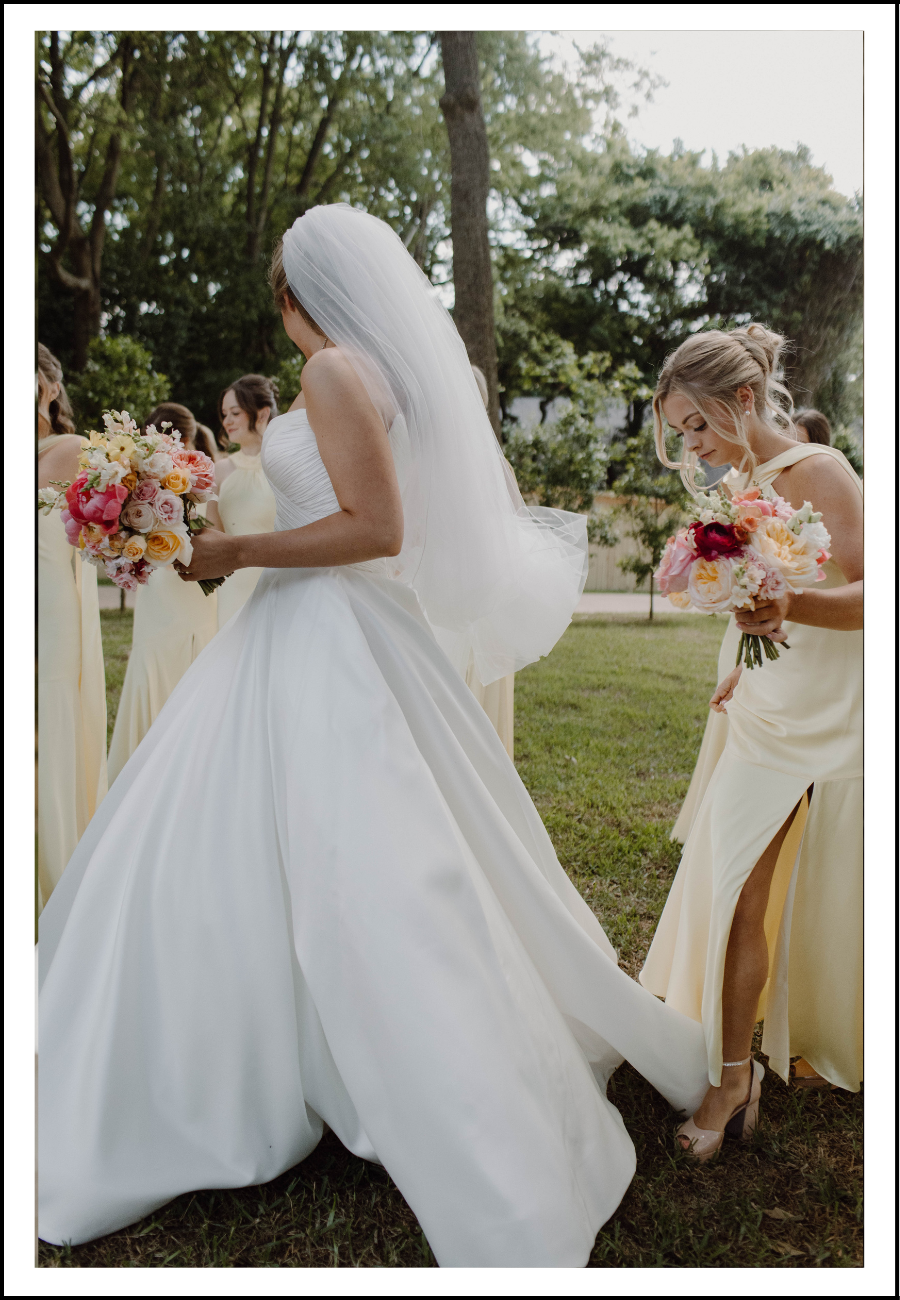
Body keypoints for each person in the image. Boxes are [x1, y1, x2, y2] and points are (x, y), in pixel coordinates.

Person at [37, 205, 711, 1266]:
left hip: (328, 634)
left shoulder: (334, 374)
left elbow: (375, 528)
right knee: (310, 849)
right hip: (318, 630)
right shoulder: (374, 372)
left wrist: (234, 550)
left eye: (281, 292)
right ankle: (301, 1050)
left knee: (364, 868)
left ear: (298, 292)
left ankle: (349, 1073)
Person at [640, 323, 863, 1159]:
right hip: (765, 704)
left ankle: (734, 1082)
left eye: (696, 425)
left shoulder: (819, 472)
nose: (691, 447)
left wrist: (787, 610)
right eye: (680, 432)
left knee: (738, 886)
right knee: (731, 880)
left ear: (741, 400)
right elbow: (762, 596)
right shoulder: (743, 483)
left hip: (816, 717)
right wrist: (743, 659)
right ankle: (734, 1062)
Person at [106, 403, 219, 784]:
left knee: (190, 664)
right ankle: (141, 769)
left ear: (181, 439)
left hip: (188, 582)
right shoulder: (136, 478)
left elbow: (212, 532)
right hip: (156, 583)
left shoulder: (200, 478)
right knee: (150, 660)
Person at [36, 344, 107, 909]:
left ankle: (57, 862)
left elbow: (98, 535)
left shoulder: (71, 449)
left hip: (52, 604)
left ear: (51, 388)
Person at [430, 365, 516, 758]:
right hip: (437, 593)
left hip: (473, 599)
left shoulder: (487, 463)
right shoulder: (432, 455)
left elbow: (510, 532)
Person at [205, 376, 278, 628]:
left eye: (235, 412)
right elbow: (213, 533)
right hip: (235, 587)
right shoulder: (219, 470)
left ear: (262, 413)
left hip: (282, 578)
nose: (226, 421)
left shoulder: (283, 464)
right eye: (224, 414)